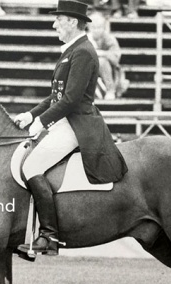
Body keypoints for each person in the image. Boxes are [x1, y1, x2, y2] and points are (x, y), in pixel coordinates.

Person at [15, 0, 128, 256]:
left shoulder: (84, 52)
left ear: (73, 22)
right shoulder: (71, 49)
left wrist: (41, 122)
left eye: (59, 20)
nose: (54, 24)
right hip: (65, 120)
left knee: (32, 167)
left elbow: (71, 99)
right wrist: (30, 114)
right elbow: (55, 97)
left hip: (77, 125)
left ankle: (49, 237)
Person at [87, 11, 129, 100]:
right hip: (90, 69)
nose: (96, 30)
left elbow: (116, 58)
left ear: (104, 27)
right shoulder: (86, 38)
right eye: (93, 28)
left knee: (101, 61)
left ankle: (111, 90)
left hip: (109, 71)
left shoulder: (109, 39)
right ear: (89, 28)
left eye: (99, 27)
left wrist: (102, 53)